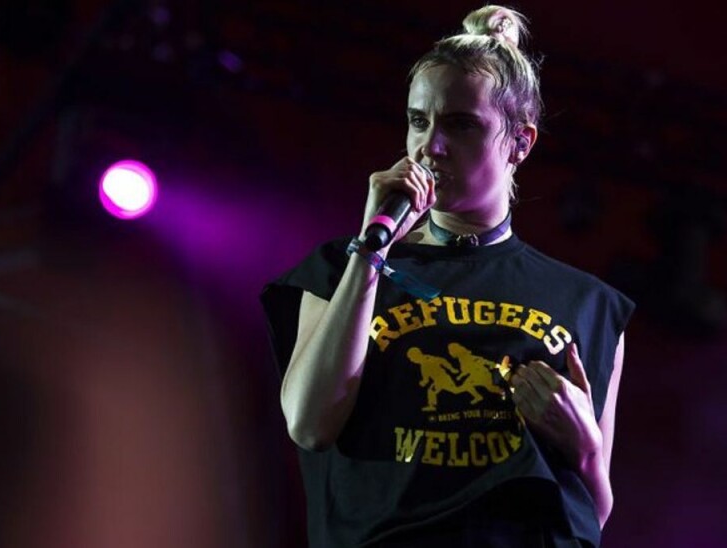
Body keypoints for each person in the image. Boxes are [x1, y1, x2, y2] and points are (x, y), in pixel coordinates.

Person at [261, 6, 634, 547]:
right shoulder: (340, 269)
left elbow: (591, 514)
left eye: (460, 124)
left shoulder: (587, 303)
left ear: (520, 143)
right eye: (418, 120)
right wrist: (370, 251)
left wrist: (586, 449)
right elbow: (309, 423)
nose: (429, 146)